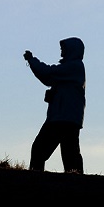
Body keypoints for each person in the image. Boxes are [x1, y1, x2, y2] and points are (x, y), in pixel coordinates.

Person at [23, 37, 86, 174]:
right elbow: (48, 77)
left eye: (63, 49)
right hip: (67, 118)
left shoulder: (73, 67)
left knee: (40, 149)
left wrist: (32, 60)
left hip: (62, 118)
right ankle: (78, 183)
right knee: (70, 154)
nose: (61, 52)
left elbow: (48, 73)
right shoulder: (72, 69)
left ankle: (35, 179)